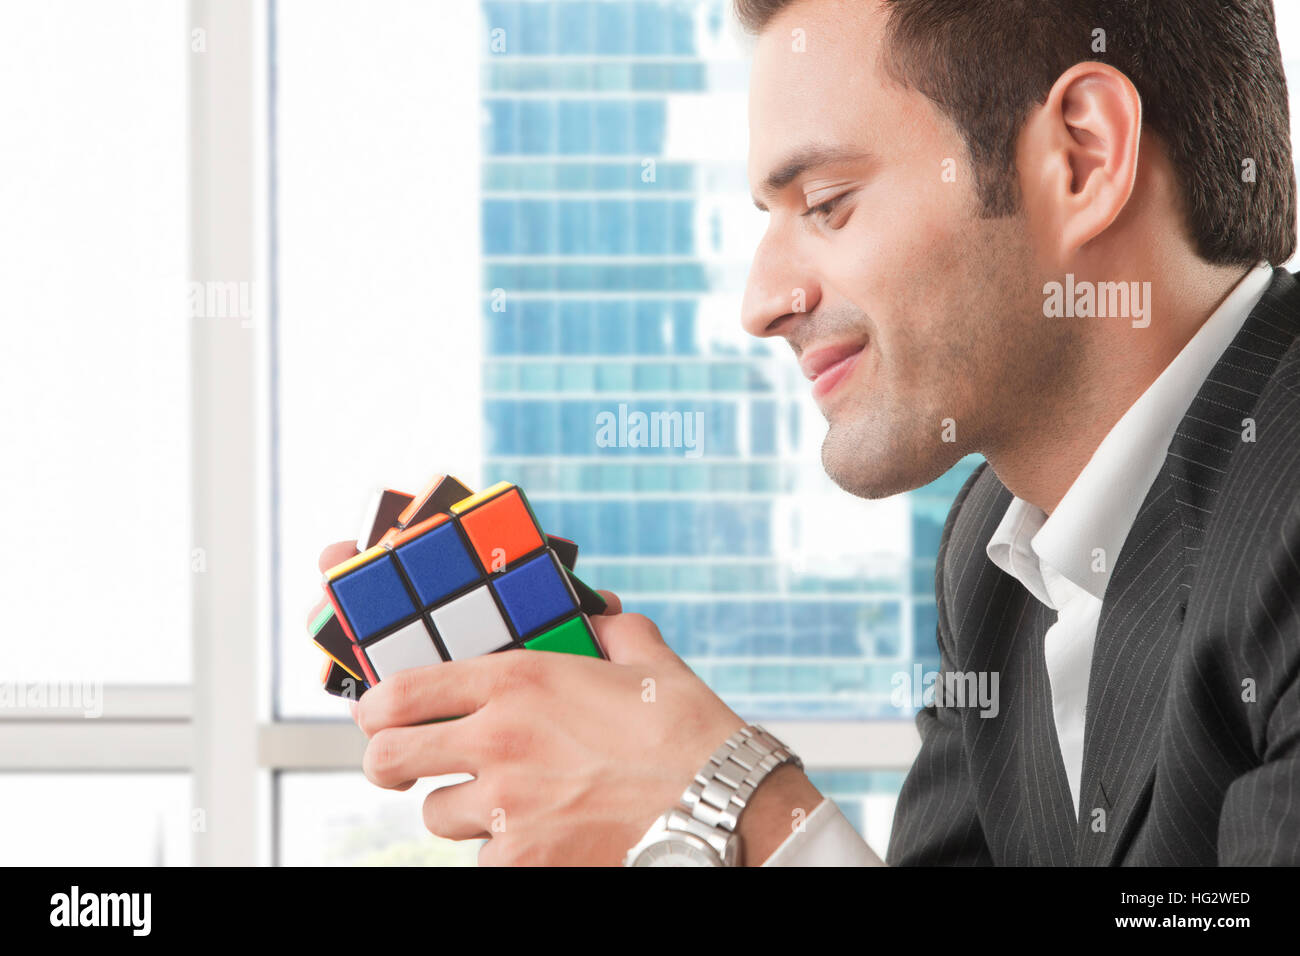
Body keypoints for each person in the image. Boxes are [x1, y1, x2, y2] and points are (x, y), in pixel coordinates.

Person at [319, 0, 1300, 864]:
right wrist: (636, 806)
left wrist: (739, 810)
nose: (760, 302)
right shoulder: (994, 548)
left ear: (1080, 158)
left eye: (826, 204)